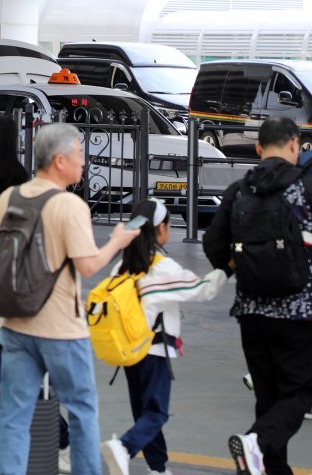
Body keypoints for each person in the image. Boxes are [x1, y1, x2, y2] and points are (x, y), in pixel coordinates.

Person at [0, 122, 139, 475]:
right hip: (61, 330)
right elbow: (87, 266)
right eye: (79, 155)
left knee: (14, 414)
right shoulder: (69, 205)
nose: (83, 162)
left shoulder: (12, 196)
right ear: (59, 161)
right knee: (82, 409)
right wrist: (116, 241)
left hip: (14, 323)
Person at [203, 115, 312, 475]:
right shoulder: (305, 187)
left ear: (258, 148)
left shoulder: (239, 190)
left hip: (250, 310)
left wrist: (236, 268)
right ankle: (255, 444)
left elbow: (213, 243)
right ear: (295, 146)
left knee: (268, 398)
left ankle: (265, 464)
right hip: (298, 312)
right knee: (299, 392)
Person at [100, 199, 228, 475]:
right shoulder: (161, 268)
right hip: (154, 351)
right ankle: (124, 447)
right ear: (161, 229)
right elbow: (202, 289)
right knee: (156, 413)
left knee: (143, 411)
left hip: (128, 351)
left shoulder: (122, 265)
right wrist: (227, 269)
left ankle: (157, 468)